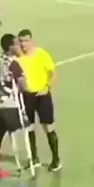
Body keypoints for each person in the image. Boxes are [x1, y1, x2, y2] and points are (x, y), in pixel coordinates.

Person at [17, 29, 61, 172]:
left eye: (25, 41)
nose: (23, 44)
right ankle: (34, 158)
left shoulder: (41, 54)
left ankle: (56, 160)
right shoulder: (18, 57)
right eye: (21, 41)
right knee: (29, 127)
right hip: (26, 96)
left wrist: (47, 87)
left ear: (31, 41)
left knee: (48, 127)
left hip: (42, 95)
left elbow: (53, 73)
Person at [0, 34, 26, 179]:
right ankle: (24, 161)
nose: (19, 46)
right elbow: (23, 86)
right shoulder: (14, 64)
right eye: (16, 44)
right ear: (10, 47)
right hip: (10, 105)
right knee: (19, 130)